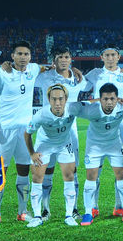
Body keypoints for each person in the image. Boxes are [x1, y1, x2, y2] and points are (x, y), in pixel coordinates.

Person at [0, 40, 41, 226]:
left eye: (26, 54)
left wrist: (74, 70)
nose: (23, 57)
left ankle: (22, 212)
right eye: (19, 54)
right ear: (12, 56)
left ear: (30, 56)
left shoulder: (34, 69)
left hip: (25, 132)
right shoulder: (2, 72)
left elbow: (54, 67)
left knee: (24, 171)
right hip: (4, 131)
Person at [69, 83, 123, 226]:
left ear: (117, 98)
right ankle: (88, 212)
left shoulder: (122, 107)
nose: (109, 102)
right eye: (105, 99)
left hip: (114, 144)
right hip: (94, 146)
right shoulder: (90, 110)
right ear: (99, 99)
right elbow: (71, 106)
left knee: (122, 179)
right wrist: (90, 101)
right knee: (90, 181)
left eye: (112, 99)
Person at [84, 44, 123, 218]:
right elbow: (80, 86)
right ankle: (93, 206)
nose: (109, 58)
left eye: (112, 55)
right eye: (106, 55)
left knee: (120, 169)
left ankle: (119, 206)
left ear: (118, 57)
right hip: (99, 125)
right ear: (102, 58)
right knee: (96, 169)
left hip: (119, 126)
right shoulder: (94, 74)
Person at [34, 46, 87, 221]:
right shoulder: (44, 77)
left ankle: (73, 209)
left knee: (73, 170)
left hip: (70, 130)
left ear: (71, 59)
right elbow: (26, 74)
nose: (63, 60)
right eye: (59, 57)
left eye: (66, 57)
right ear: (53, 60)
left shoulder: (78, 79)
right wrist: (43, 67)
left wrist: (76, 71)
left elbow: (92, 86)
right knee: (46, 169)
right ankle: (45, 209)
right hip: (47, 130)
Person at [24, 84, 78, 227]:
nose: (57, 103)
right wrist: (32, 153)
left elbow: (92, 104)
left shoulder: (73, 109)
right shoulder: (41, 115)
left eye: (60, 99)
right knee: (37, 178)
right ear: (48, 99)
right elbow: (27, 133)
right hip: (45, 144)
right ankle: (37, 216)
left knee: (69, 177)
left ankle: (69, 215)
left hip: (64, 144)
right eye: (54, 99)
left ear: (66, 99)